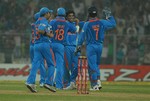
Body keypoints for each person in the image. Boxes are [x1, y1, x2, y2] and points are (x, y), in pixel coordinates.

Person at [76, 6, 116, 91]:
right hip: (100, 46)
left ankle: (94, 85)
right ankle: (98, 81)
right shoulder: (102, 22)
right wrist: (109, 16)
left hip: (91, 46)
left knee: (92, 65)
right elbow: (113, 24)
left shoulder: (87, 24)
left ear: (89, 14)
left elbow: (82, 36)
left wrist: (78, 45)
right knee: (97, 64)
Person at [25, 7, 56, 93]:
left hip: (36, 44)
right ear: (46, 14)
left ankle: (30, 82)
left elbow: (38, 29)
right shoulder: (43, 20)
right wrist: (48, 34)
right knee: (51, 64)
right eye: (49, 13)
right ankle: (48, 83)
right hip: (44, 44)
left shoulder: (36, 22)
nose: (50, 15)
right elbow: (40, 30)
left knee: (35, 64)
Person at [49, 7, 77, 89]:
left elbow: (48, 29)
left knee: (52, 64)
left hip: (52, 44)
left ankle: (50, 81)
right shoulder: (66, 23)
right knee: (60, 66)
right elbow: (74, 29)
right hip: (61, 45)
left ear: (57, 14)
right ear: (64, 14)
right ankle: (58, 85)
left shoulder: (53, 21)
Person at [63, 10, 84, 90]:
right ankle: (67, 83)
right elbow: (75, 29)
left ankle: (72, 82)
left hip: (75, 48)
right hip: (67, 47)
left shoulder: (74, 23)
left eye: (72, 16)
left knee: (78, 66)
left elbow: (85, 24)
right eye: (69, 16)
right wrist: (78, 24)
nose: (71, 17)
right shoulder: (66, 23)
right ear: (66, 17)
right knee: (67, 66)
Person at [30, 12, 46, 87]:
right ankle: (42, 81)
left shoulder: (33, 25)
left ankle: (32, 81)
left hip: (32, 46)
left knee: (34, 64)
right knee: (41, 64)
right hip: (38, 45)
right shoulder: (41, 24)